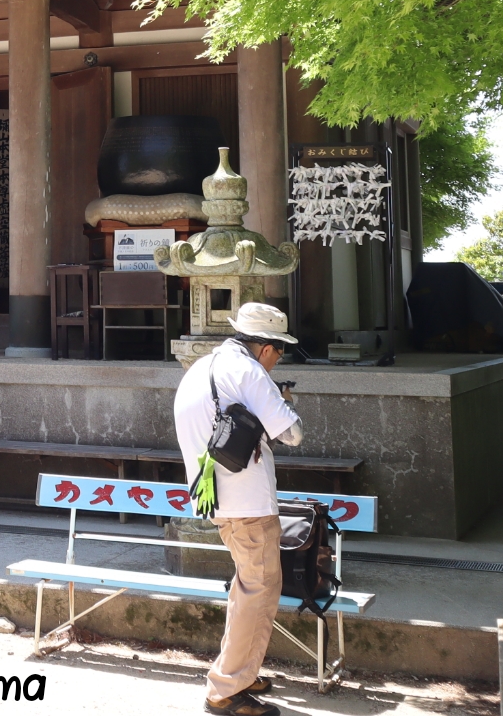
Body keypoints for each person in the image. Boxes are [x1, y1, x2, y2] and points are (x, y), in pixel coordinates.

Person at [173, 303, 305, 716]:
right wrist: (282, 399)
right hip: (248, 502)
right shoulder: (249, 371)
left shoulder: (202, 367)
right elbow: (293, 433)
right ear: (265, 348)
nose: (278, 358)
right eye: (280, 350)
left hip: (216, 497)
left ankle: (241, 672)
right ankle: (227, 689)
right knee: (259, 590)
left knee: (247, 588)